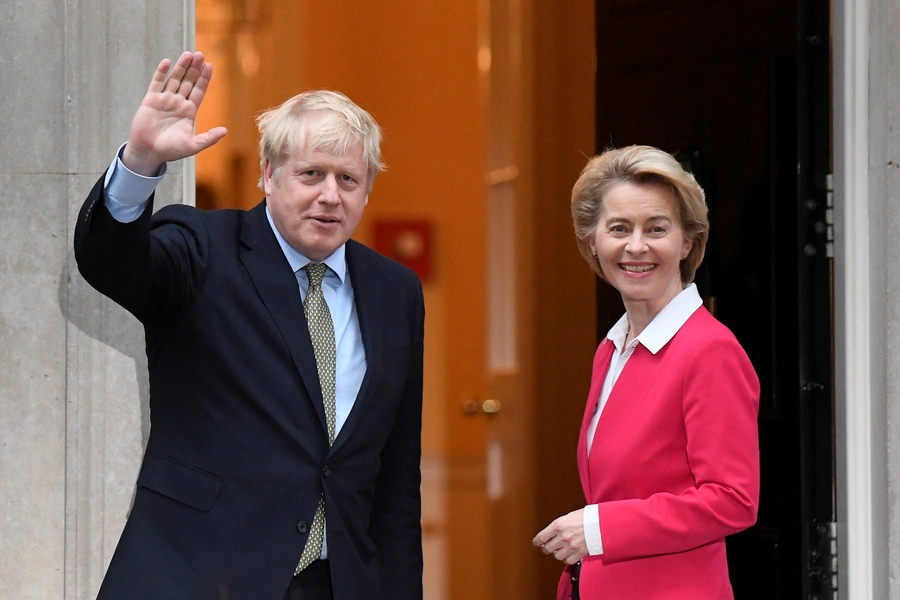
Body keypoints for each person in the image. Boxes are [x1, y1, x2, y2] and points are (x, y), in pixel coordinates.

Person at [74, 51, 424, 600]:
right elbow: (110, 262)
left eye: (349, 179)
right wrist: (141, 161)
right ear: (268, 174)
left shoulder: (395, 292)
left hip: (333, 584)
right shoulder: (202, 251)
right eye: (311, 173)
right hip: (198, 576)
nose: (330, 195)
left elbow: (397, 484)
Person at [532, 145, 760, 599]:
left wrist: (597, 528)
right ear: (593, 241)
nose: (637, 246)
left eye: (657, 228)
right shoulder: (611, 350)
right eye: (619, 228)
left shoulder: (709, 350)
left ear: (687, 241)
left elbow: (733, 500)